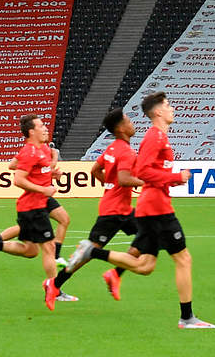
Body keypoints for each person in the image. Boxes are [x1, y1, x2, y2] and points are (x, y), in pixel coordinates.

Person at [65, 92, 215, 329]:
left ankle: (91, 252)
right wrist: (177, 177)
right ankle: (187, 318)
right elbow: (143, 172)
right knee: (183, 259)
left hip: (151, 206)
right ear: (157, 112)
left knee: (145, 266)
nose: (171, 108)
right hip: (157, 208)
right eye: (167, 105)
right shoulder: (154, 138)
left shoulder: (159, 137)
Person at [55, 108, 143, 301]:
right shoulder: (126, 152)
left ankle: (116, 275)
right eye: (128, 120)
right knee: (88, 253)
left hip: (120, 208)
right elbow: (125, 179)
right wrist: (150, 182)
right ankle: (54, 285)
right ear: (121, 128)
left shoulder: (112, 148)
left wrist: (110, 185)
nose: (132, 123)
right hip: (113, 212)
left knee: (149, 232)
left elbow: (95, 170)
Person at [0, 144, 71, 264]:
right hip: (37, 196)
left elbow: (44, 170)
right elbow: (14, 166)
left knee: (59, 222)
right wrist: (53, 158)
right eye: (42, 128)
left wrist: (52, 172)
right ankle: (55, 259)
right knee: (59, 223)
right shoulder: (33, 150)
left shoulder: (43, 151)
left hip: (42, 195)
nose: (45, 131)